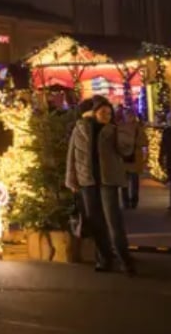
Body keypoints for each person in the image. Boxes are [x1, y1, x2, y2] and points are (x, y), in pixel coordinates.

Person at [66, 95, 136, 275]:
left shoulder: (113, 130)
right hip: (87, 180)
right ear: (94, 113)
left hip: (108, 180)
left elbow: (126, 150)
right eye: (102, 111)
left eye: (109, 112)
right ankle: (104, 259)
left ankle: (125, 260)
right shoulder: (80, 129)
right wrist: (71, 179)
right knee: (95, 221)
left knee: (114, 221)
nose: (106, 115)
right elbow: (72, 155)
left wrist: (124, 128)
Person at [117, 106, 148, 210]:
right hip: (130, 157)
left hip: (128, 157)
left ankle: (128, 202)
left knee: (127, 181)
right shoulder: (137, 127)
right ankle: (131, 202)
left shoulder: (121, 127)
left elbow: (144, 142)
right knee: (130, 181)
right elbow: (144, 142)